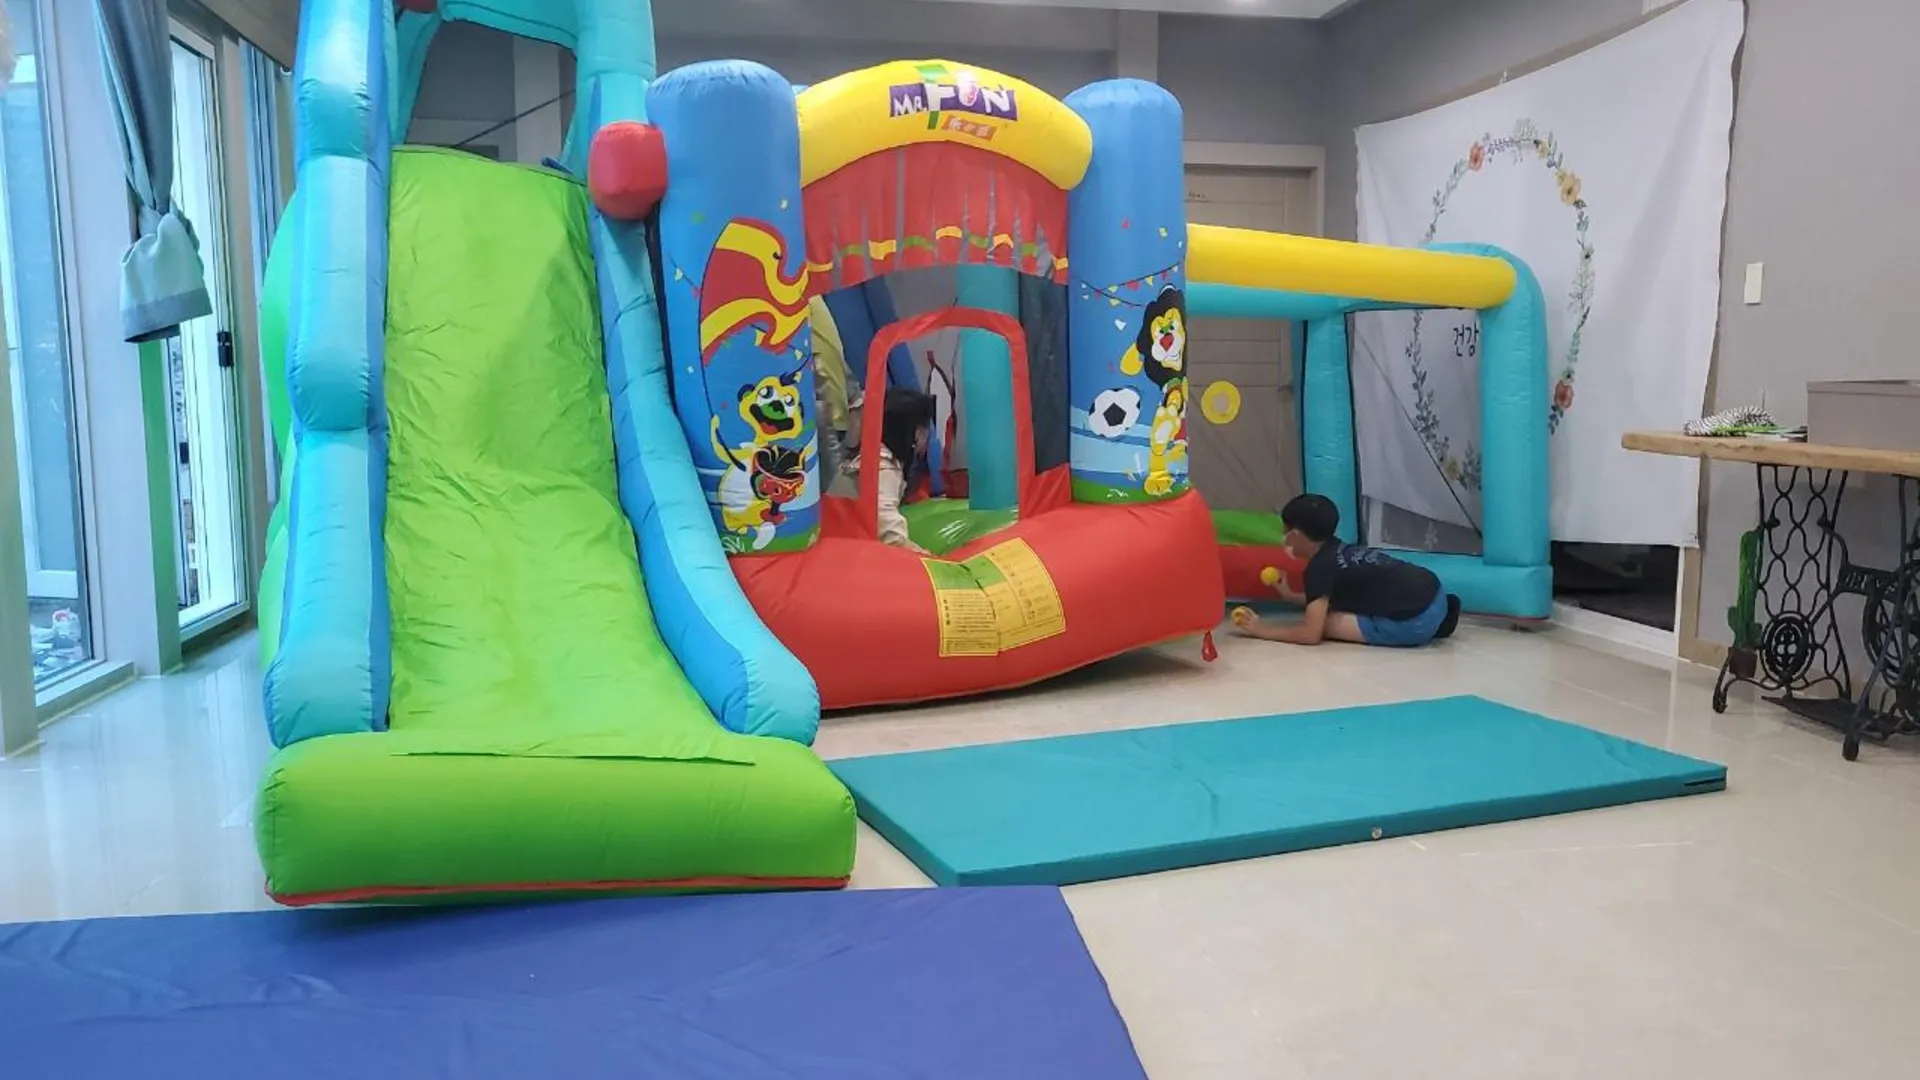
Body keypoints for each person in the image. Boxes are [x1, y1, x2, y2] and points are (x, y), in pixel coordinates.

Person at [1232, 493, 1461, 647]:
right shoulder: (1340, 548)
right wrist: (1290, 596)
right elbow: (1323, 598)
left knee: (1326, 623)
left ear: (1295, 535)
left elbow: (1311, 634)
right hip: (1437, 594)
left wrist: (1263, 630)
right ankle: (1435, 620)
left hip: (1416, 622)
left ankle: (1422, 627)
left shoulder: (1319, 568)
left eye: (1285, 531)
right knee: (1329, 609)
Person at [875, 389, 935, 553]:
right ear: (916, 432)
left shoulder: (878, 456)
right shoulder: (884, 466)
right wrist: (924, 557)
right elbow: (889, 531)